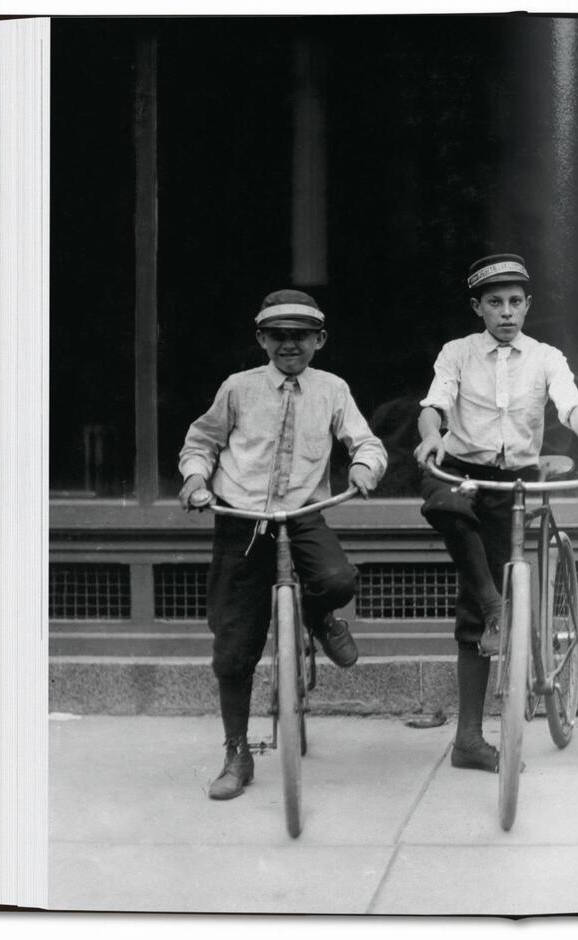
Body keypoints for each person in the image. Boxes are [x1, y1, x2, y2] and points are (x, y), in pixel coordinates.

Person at [414, 254, 578, 773]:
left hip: (514, 482)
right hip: (462, 469)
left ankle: (471, 724)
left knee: (476, 602)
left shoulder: (546, 356)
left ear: (527, 305)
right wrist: (432, 438)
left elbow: (569, 405)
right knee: (443, 503)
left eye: (514, 302)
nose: (505, 312)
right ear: (478, 307)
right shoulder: (457, 353)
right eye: (494, 303)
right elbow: (433, 405)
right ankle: (493, 611)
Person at [178, 289, 386, 801]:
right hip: (242, 519)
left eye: (301, 336)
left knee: (338, 579)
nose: (289, 345)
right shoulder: (238, 388)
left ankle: (317, 617)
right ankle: (236, 752)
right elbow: (201, 442)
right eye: (278, 336)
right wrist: (194, 478)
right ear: (261, 340)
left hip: (300, 516)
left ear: (320, 340)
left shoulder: (332, 389)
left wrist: (364, 466)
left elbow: (366, 441)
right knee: (233, 647)